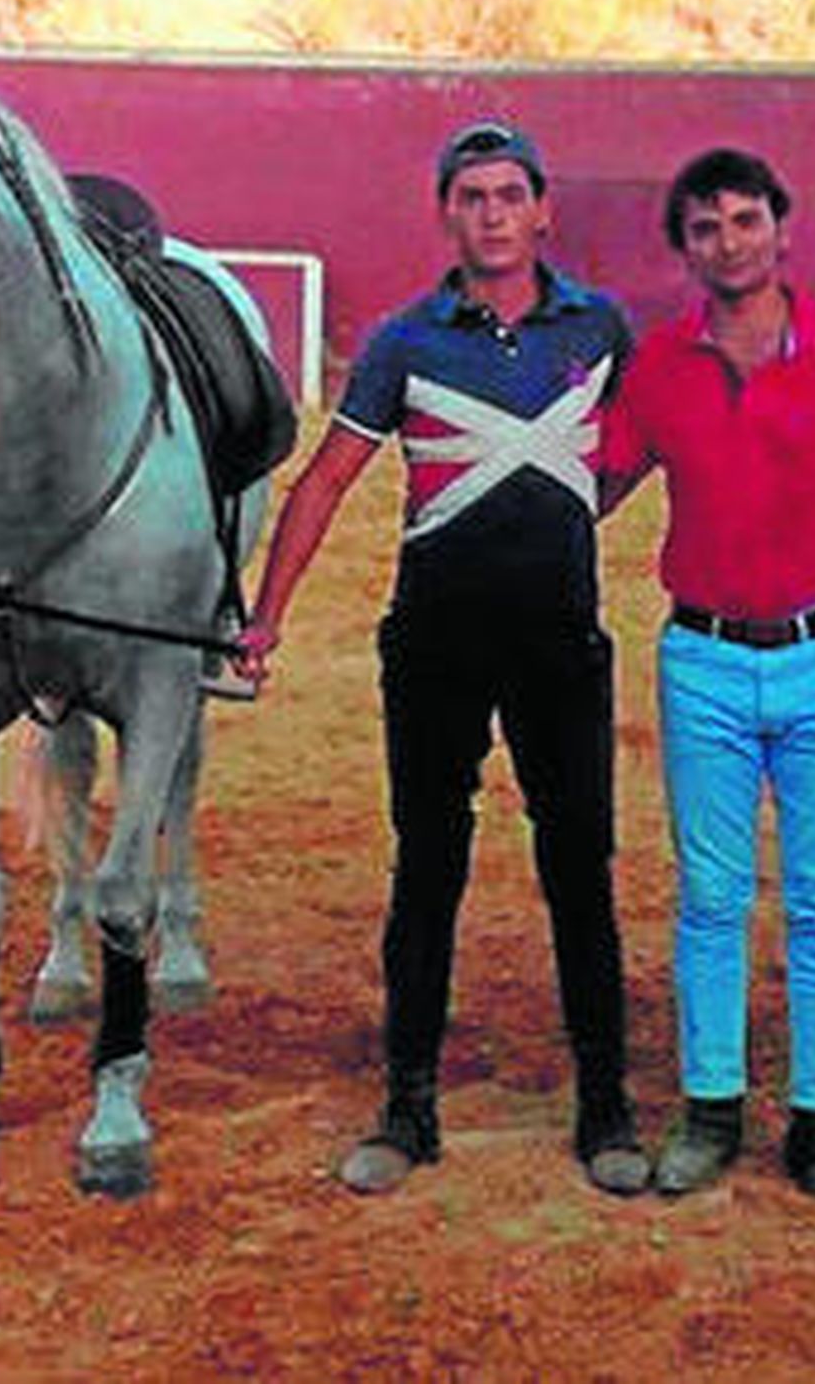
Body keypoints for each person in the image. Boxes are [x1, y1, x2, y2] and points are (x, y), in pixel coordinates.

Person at [235, 122, 649, 1197]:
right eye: (471, 196)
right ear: (447, 215)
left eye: (510, 194)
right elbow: (326, 477)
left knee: (577, 869)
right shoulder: (404, 341)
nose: (493, 213)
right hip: (434, 642)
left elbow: (653, 439)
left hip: (561, 641)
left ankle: (604, 1101)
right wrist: (265, 614)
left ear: (543, 209)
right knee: (427, 869)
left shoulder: (600, 327)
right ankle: (407, 1103)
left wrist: (571, 505)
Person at [600, 148, 815, 1201]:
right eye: (704, 227)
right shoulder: (657, 363)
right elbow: (592, 482)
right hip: (703, 659)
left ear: (781, 225)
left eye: (743, 219)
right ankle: (712, 1107)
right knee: (712, 895)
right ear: (683, 247)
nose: (727, 242)